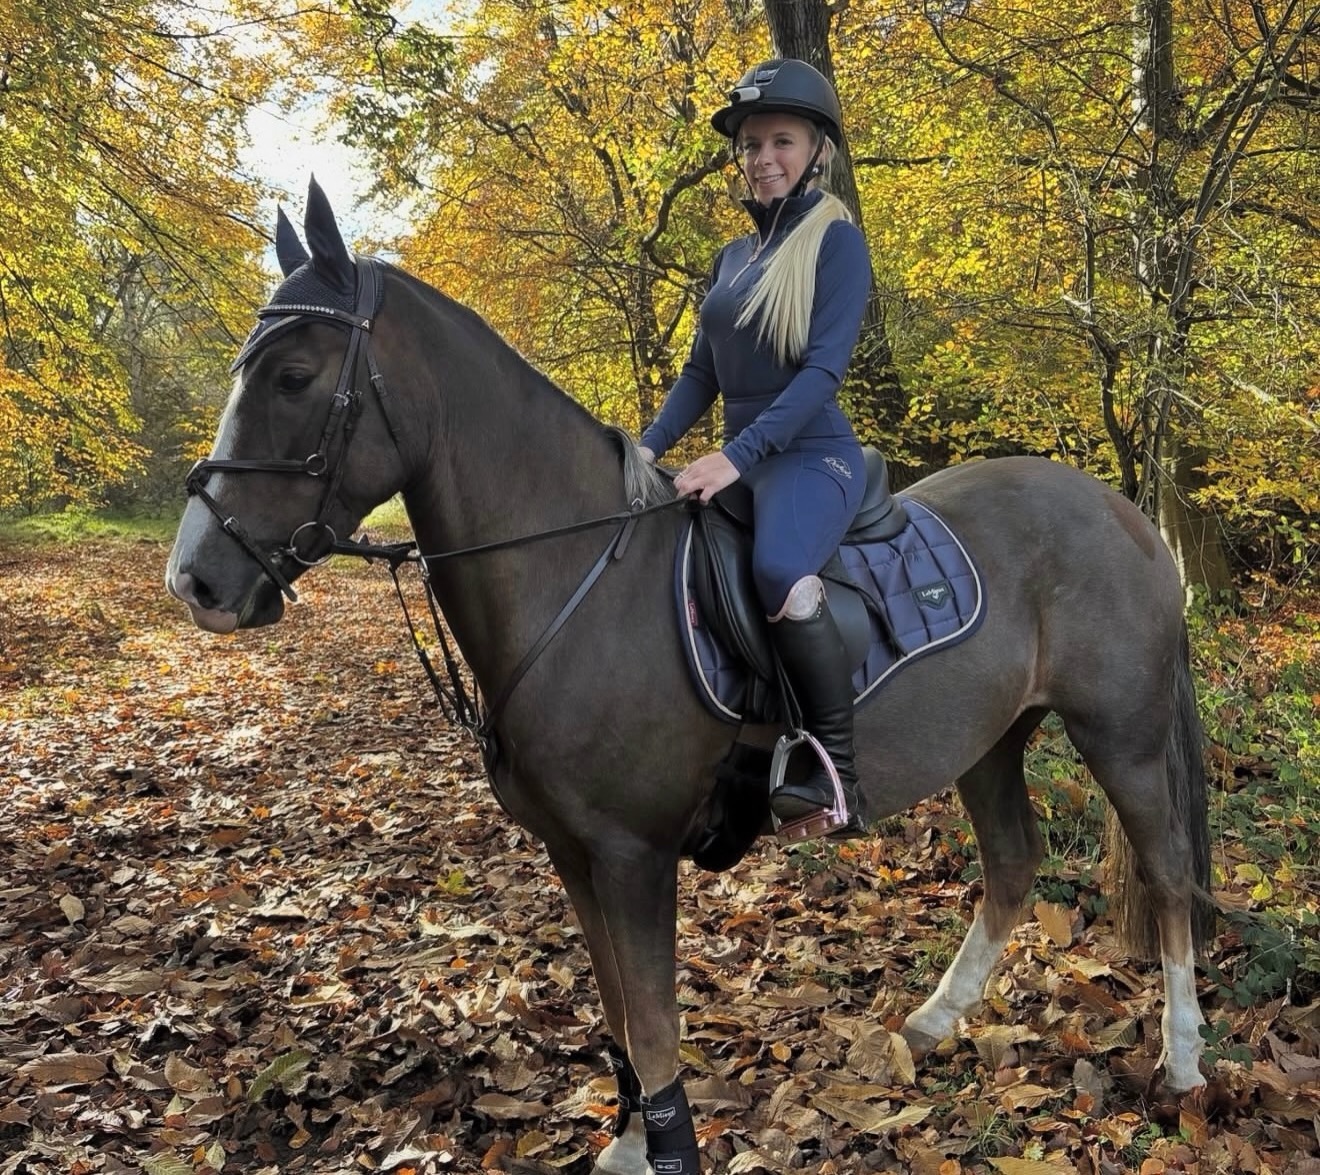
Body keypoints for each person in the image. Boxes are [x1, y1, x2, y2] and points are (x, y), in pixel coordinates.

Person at [638, 58, 871, 837]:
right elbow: (700, 373)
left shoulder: (836, 243)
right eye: (751, 145)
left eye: (781, 141)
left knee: (776, 567)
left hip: (812, 456)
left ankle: (835, 771)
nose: (763, 158)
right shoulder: (732, 258)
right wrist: (646, 449)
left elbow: (821, 375)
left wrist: (735, 456)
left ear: (817, 150)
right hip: (747, 457)